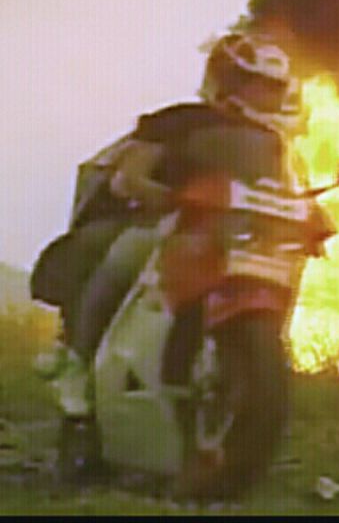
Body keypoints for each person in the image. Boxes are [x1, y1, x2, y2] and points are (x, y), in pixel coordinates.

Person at [31, 32, 309, 482]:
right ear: (225, 79)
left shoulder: (273, 143)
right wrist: (164, 197)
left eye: (271, 86)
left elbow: (287, 193)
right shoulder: (178, 120)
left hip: (231, 241)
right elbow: (128, 177)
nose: (262, 94)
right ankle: (78, 367)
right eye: (252, 82)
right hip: (162, 226)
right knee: (126, 254)